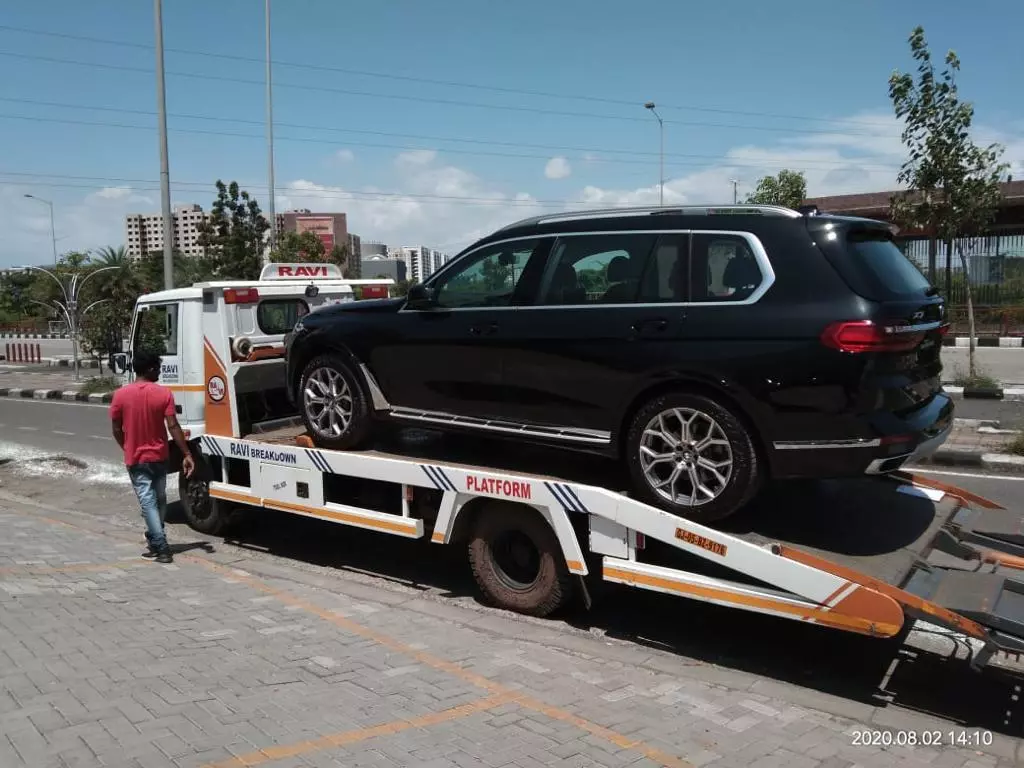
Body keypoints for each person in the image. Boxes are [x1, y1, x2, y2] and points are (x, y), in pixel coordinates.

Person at [110, 349, 195, 563]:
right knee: (159, 500)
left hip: (137, 459)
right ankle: (158, 541)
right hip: (159, 457)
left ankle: (159, 544)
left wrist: (127, 446)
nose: (160, 372)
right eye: (158, 368)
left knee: (151, 503)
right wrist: (186, 453)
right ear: (149, 369)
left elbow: (116, 429)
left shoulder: (120, 395)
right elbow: (173, 426)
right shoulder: (163, 394)